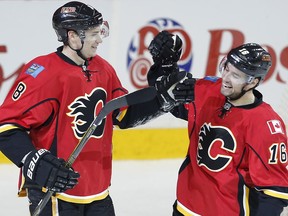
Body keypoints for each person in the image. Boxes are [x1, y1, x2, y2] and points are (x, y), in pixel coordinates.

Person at [0, 2, 186, 216]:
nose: (99, 39)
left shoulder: (103, 69)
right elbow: (6, 126)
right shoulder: (43, 72)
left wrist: (164, 101)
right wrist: (33, 159)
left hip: (98, 192)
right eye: (93, 33)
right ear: (72, 36)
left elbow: (123, 116)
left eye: (101, 31)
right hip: (55, 193)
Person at [147, 33, 288, 215]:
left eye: (236, 76)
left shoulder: (266, 124)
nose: (226, 79)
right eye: (226, 68)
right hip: (184, 208)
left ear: (253, 82)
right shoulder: (208, 90)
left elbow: (273, 193)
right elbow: (169, 100)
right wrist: (164, 67)